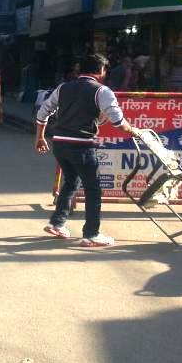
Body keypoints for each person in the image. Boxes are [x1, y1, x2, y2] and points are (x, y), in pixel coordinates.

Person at [35, 54, 135, 248]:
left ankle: (57, 223)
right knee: (93, 189)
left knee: (71, 181)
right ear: (101, 71)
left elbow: (42, 112)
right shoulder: (102, 91)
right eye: (105, 71)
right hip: (82, 145)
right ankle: (91, 234)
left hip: (60, 144)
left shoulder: (63, 88)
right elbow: (118, 121)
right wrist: (134, 131)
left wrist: (39, 137)